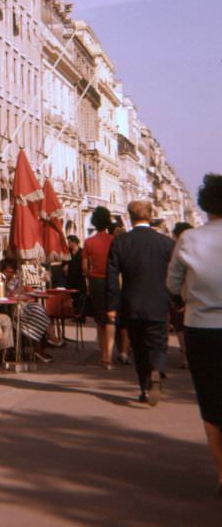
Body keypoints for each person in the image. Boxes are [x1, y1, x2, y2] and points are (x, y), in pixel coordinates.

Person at [167, 173, 222, 496]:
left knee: (210, 400)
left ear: (205, 204)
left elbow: (172, 283)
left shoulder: (189, 239)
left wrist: (185, 296)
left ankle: (221, 472)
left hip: (201, 326)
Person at [105, 200, 174, 405]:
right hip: (159, 301)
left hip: (132, 302)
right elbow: (175, 275)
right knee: (158, 342)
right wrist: (176, 299)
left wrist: (112, 306)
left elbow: (111, 278)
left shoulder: (121, 242)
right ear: (150, 216)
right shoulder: (166, 243)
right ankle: (156, 370)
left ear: (130, 217)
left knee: (138, 346)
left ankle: (144, 388)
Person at [83, 207, 116, 369]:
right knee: (111, 318)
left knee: (99, 319)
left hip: (96, 281)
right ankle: (109, 357)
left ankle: (103, 355)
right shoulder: (114, 241)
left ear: (94, 222)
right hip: (112, 281)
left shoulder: (89, 242)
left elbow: (84, 269)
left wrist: (91, 273)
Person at [169, 222, 193, 369]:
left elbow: (172, 277)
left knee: (180, 327)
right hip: (196, 295)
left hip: (181, 294)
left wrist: (176, 297)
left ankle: (185, 357)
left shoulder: (175, 249)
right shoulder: (198, 248)